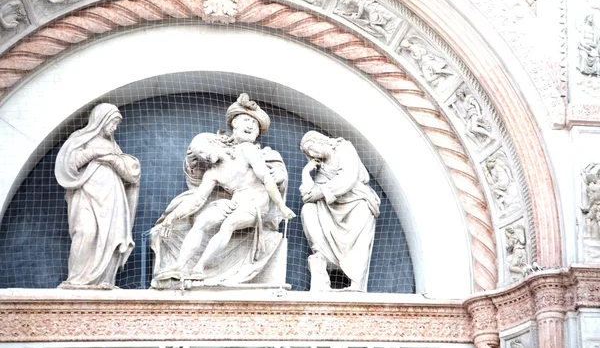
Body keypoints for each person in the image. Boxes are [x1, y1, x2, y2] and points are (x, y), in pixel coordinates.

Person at [151, 94, 293, 286]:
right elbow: (197, 200)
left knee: (229, 224)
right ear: (233, 124)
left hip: (255, 203)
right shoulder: (213, 173)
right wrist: (173, 216)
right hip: (235, 202)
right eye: (246, 120)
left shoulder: (248, 150)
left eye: (255, 124)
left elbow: (266, 178)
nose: (251, 126)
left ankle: (199, 268)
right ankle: (180, 266)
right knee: (202, 221)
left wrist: (281, 206)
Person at [55, 103, 140, 289]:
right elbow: (68, 164)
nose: (114, 127)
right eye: (113, 122)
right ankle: (77, 279)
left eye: (117, 123)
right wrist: (94, 152)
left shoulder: (114, 146)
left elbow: (130, 174)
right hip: (86, 195)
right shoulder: (80, 139)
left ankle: (104, 280)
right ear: (101, 120)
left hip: (112, 199)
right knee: (86, 231)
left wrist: (113, 159)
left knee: (110, 238)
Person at [299, 131, 380, 292]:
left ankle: (356, 284)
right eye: (309, 153)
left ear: (320, 140)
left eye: (312, 148)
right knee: (308, 210)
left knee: (359, 237)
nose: (313, 153)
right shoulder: (321, 170)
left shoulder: (344, 148)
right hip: (331, 209)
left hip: (357, 202)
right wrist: (306, 172)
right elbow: (308, 195)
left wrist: (321, 192)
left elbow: (348, 178)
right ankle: (321, 262)